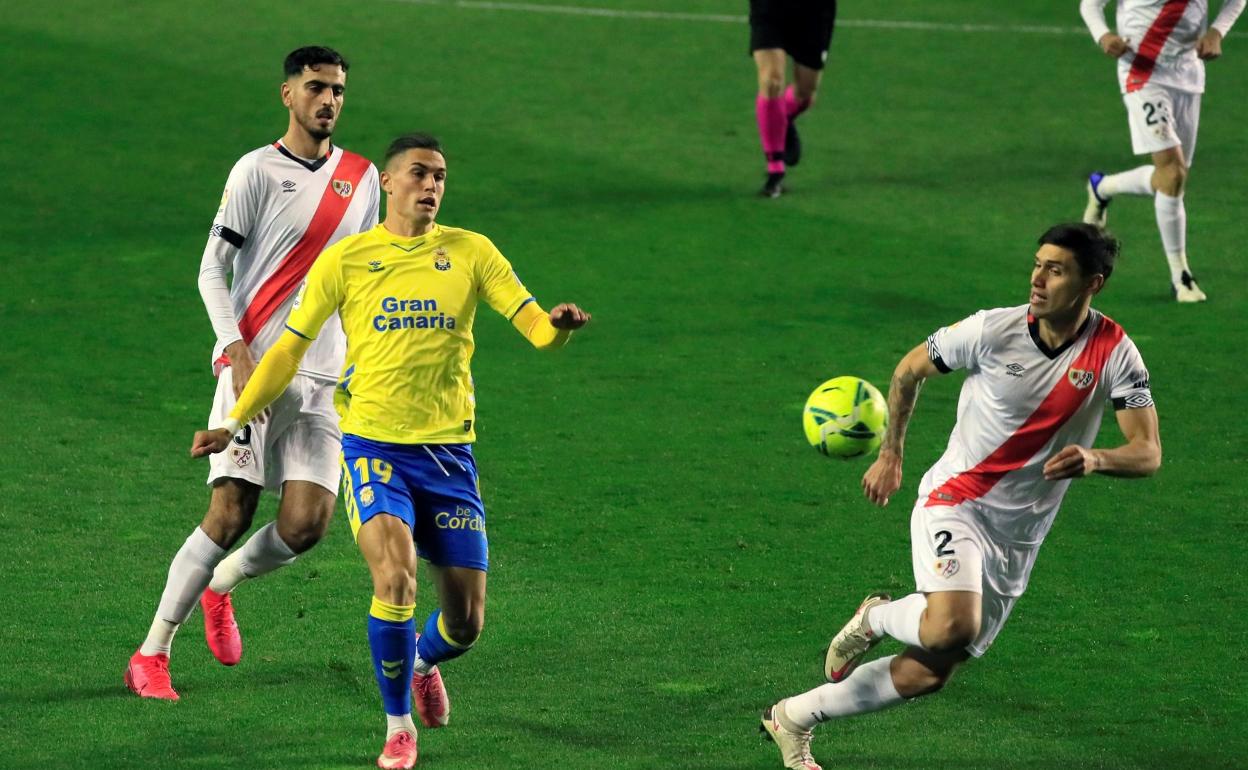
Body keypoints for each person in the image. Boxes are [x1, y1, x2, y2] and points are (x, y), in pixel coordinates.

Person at [190, 133, 590, 770]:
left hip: (449, 455)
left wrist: (559, 329)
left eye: (440, 177)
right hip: (374, 447)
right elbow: (289, 350)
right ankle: (398, 726)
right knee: (396, 581)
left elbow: (536, 329)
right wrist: (232, 420)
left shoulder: (471, 251)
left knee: (465, 624)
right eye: (419, 174)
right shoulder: (348, 261)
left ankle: (426, 660)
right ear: (387, 181)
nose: (431, 186)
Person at [760, 224, 1161, 770]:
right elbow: (908, 371)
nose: (1037, 279)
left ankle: (791, 718)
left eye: (1056, 269)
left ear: (1094, 284)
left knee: (929, 670)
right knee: (952, 624)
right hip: (957, 499)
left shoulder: (1115, 351)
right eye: (1037, 264)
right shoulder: (991, 330)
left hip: (1020, 537)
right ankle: (878, 618)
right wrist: (892, 454)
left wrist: (1097, 458)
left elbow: (1148, 452)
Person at [125, 46, 380, 701]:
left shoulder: (363, 176)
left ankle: (221, 585)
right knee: (230, 510)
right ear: (287, 95)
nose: (329, 101)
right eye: (317, 88)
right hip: (256, 371)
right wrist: (235, 350)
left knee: (306, 526)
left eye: (339, 91)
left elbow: (366, 279)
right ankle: (152, 652)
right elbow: (211, 269)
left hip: (324, 380)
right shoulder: (256, 171)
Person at [1079, 0, 1244, 302]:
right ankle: (1180, 276)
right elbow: (1091, 4)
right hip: (1143, 73)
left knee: (1172, 180)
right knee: (1173, 172)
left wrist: (1217, 31)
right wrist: (1103, 35)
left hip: (1188, 75)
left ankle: (1102, 187)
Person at [749, 0, 838, 198]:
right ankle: (775, 169)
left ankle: (782, 117)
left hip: (815, 10)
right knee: (772, 80)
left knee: (805, 93)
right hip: (769, 6)